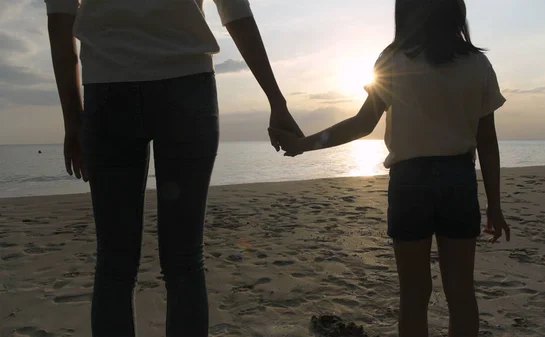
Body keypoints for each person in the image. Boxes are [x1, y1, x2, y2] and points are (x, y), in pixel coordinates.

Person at [45, 1, 302, 336]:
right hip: (188, 88)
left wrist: (73, 121)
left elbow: (60, 21)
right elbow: (237, 14)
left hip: (108, 91)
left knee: (114, 266)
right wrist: (276, 101)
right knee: (184, 263)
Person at [271, 0, 511, 336]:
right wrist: (495, 206)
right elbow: (487, 141)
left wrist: (302, 144)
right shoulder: (478, 65)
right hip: (458, 180)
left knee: (414, 294)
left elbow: (361, 124)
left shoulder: (394, 59)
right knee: (460, 291)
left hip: (410, 182)